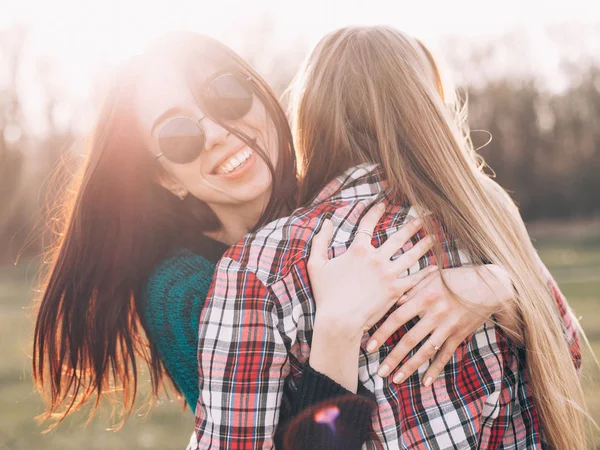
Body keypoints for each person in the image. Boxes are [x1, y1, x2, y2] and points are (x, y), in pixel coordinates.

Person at [32, 32, 515, 448]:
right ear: (167, 178)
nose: (218, 133)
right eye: (179, 133)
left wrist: (493, 286)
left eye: (225, 94)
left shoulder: (348, 202)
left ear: (261, 94)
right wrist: (337, 327)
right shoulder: (180, 291)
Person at [191, 27, 586, 450]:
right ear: (426, 107)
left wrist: (501, 289)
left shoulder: (258, 266)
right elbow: (568, 356)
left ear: (308, 116)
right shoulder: (484, 213)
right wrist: (509, 290)